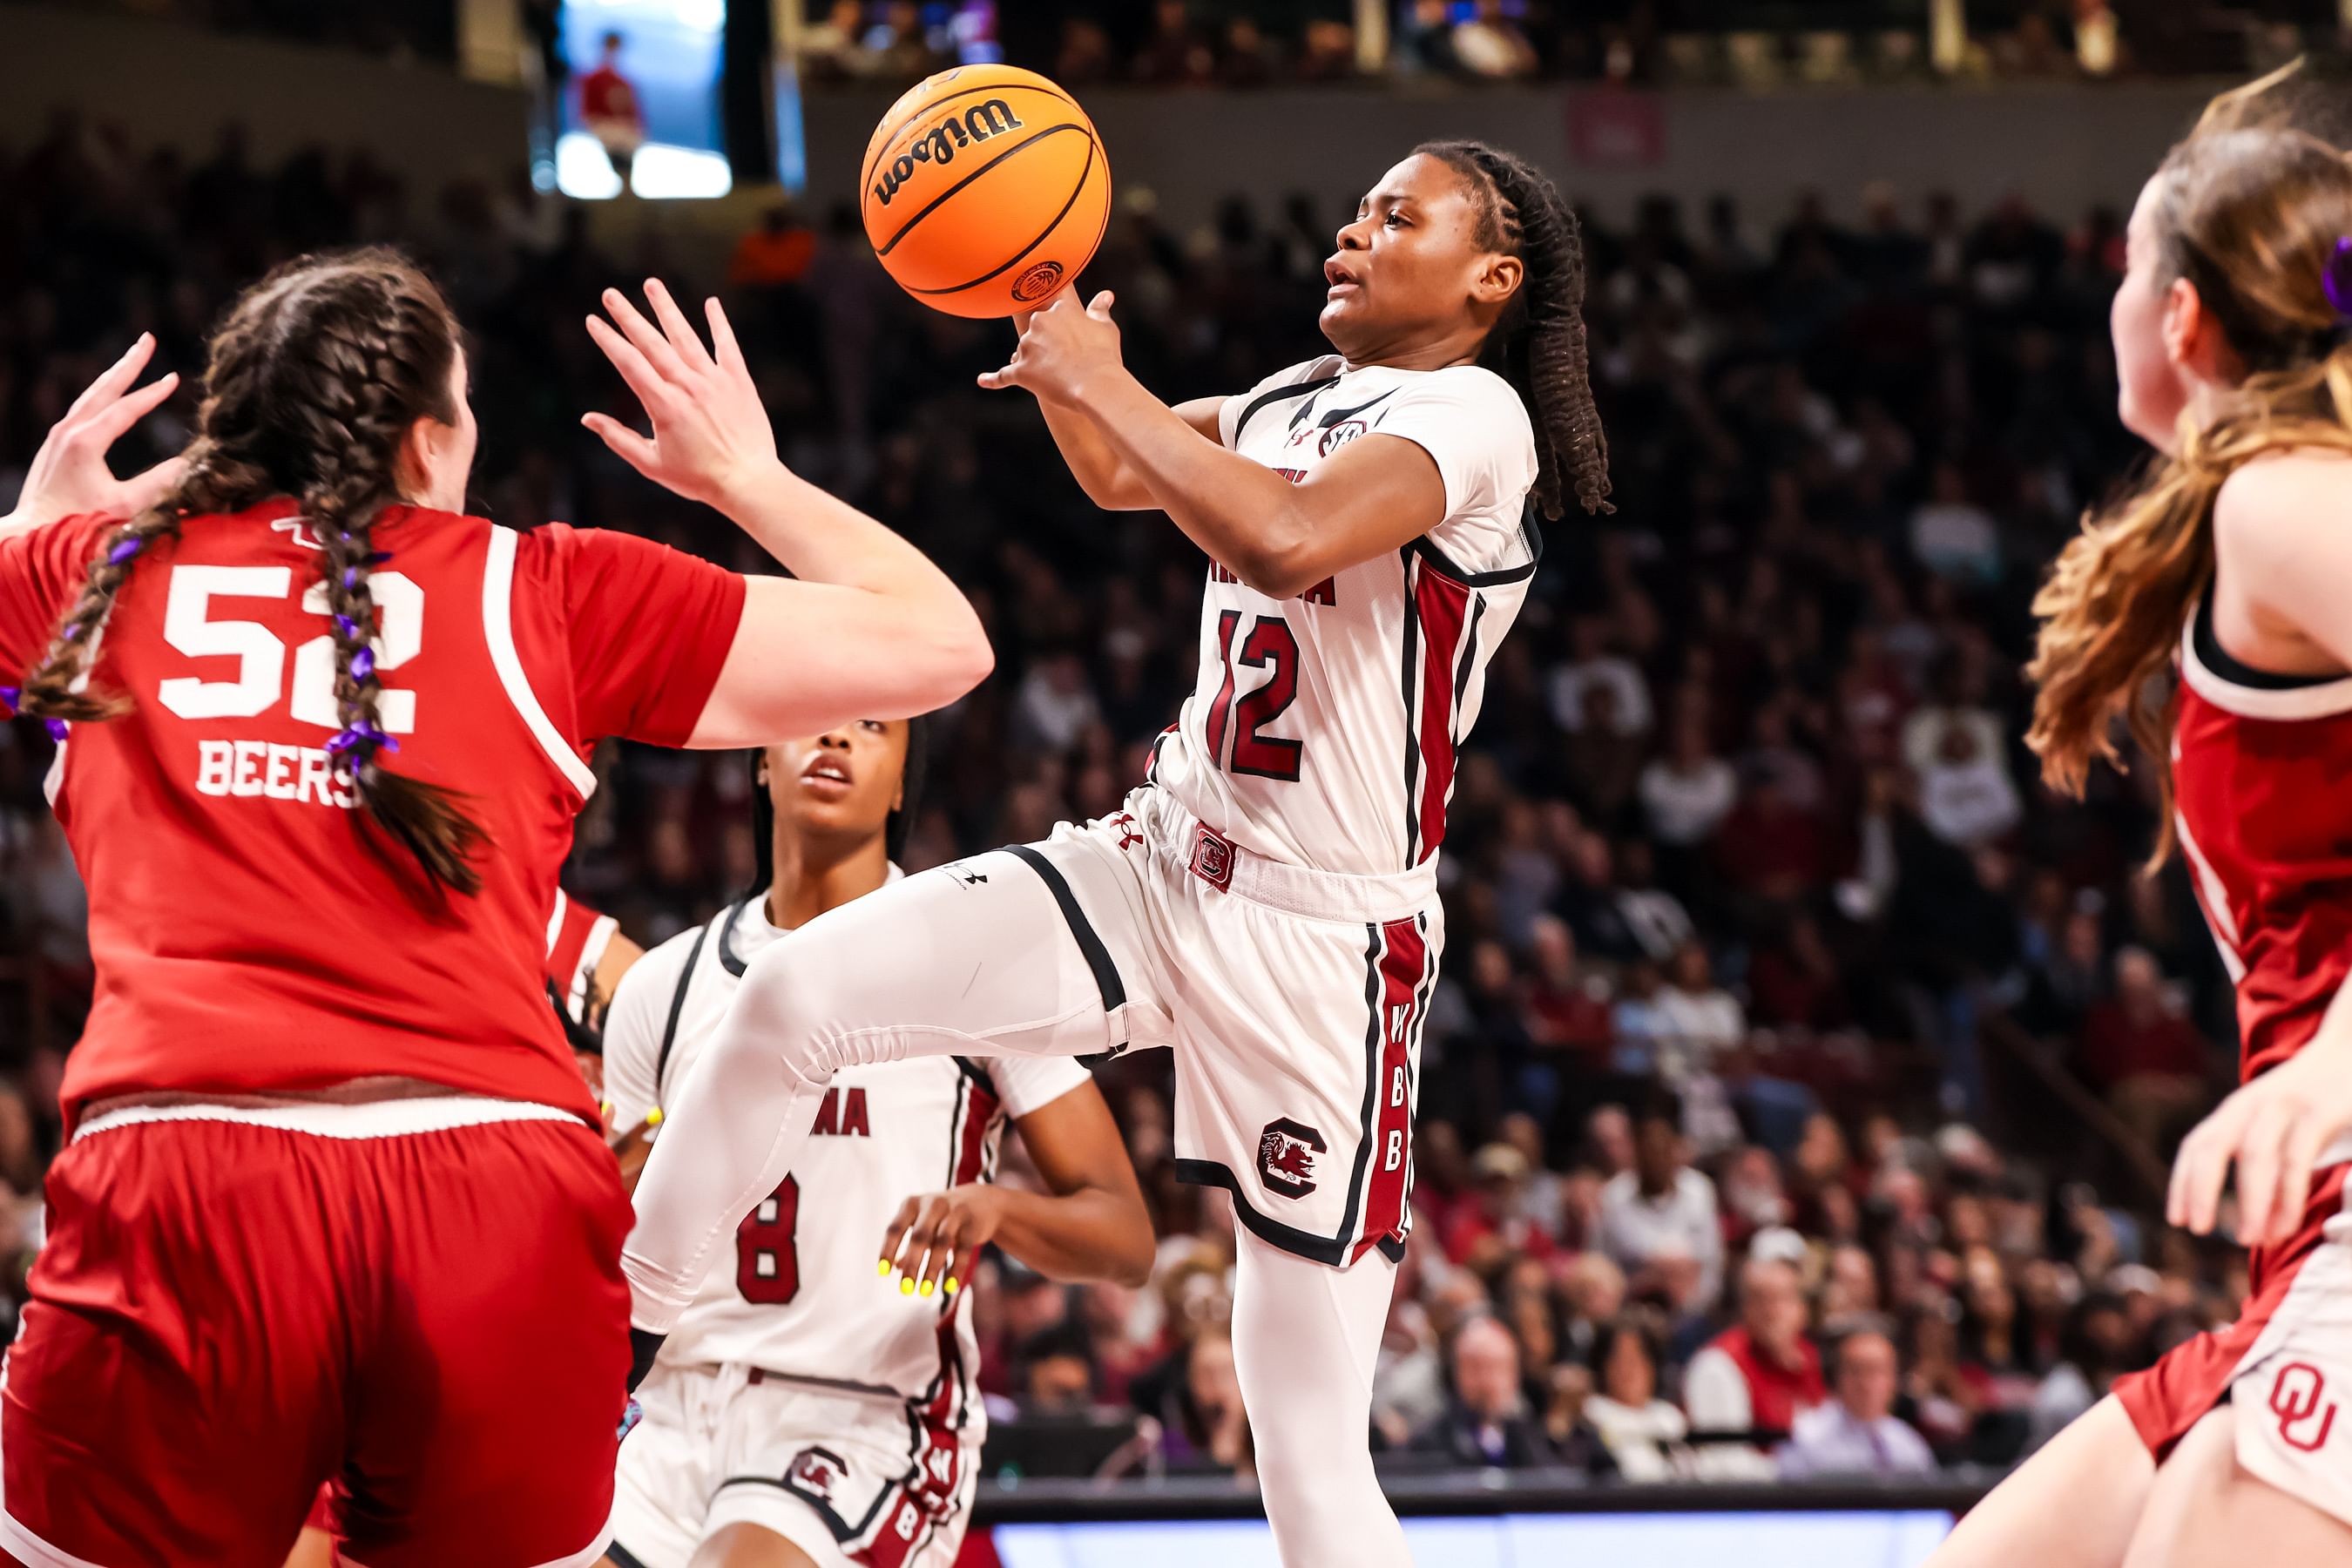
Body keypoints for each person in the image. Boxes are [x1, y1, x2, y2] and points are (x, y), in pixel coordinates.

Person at [623, 139, 1609, 1568]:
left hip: (1323, 951)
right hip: (1158, 861)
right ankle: (622, 1335)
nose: (1350, 228)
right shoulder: (1286, 396)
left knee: (1308, 1458)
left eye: (1398, 215)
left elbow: (1281, 541)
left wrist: (1101, 381)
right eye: (1353, 204)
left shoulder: (1475, 416)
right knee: (792, 1001)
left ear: (1492, 277)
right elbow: (1109, 468)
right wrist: (1041, 298)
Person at [0, 253, 990, 1567]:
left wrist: (30, 533)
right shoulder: (548, 589)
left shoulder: (90, 581)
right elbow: (942, 644)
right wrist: (744, 481)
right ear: (429, 436)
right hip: (493, 1206)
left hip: (185, 1187)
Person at [1927, 70, 2352, 1568]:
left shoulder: (2284, 500)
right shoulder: (2267, 509)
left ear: (2179, 319)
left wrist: (2329, 1070)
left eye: (2124, 273)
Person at [598, 719, 1152, 1568]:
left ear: (901, 784)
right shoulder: (662, 986)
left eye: (870, 727)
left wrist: (996, 1207)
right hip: (671, 1406)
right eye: (811, 715)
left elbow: (1123, 1237)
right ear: (759, 759)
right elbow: (613, 1230)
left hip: (862, 1411)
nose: (835, 739)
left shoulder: (972, 965)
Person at [1684, 1254, 1827, 1480]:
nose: (1772, 1312)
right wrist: (1796, 1473)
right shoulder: (1718, 1364)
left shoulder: (1815, 1360)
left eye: (1783, 1299)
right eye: (1760, 1300)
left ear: (1802, 1309)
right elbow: (1725, 1465)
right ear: (1745, 1308)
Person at [1779, 1328, 1937, 1478]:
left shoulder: (1908, 1443)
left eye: (1876, 1371)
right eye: (1855, 1371)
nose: (1865, 1383)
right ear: (1837, 1377)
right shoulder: (1806, 1438)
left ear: (1893, 1380)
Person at [579, 31, 645, 194]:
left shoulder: (625, 81)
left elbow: (634, 115)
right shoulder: (593, 79)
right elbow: (589, 112)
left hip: (625, 134)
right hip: (605, 131)